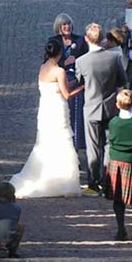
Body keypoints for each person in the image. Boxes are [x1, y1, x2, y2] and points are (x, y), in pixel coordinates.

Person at [9, 39, 84, 198]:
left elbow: (58, 86)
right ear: (60, 53)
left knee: (46, 141)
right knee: (61, 140)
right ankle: (63, 180)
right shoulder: (59, 71)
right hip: (57, 108)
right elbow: (66, 94)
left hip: (45, 109)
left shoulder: (43, 68)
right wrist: (82, 87)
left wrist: (73, 83)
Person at [75, 23, 127, 194]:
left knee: (92, 147)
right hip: (111, 106)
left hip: (91, 107)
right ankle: (107, 180)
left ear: (86, 39)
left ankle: (92, 182)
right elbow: (122, 80)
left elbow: (80, 83)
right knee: (108, 145)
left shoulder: (81, 61)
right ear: (103, 39)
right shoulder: (114, 58)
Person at [104, 89, 132, 242]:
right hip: (130, 163)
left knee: (118, 199)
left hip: (115, 162)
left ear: (117, 104)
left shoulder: (114, 123)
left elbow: (112, 139)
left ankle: (121, 230)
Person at [48, 13, 88, 153]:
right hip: (61, 81)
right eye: (64, 24)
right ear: (58, 27)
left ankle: (76, 148)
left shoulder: (80, 40)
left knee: (76, 117)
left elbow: (87, 59)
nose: (67, 27)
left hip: (76, 82)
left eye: (69, 24)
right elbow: (47, 63)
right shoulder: (53, 41)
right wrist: (63, 63)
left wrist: (76, 62)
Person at [0, 182, 24, 258]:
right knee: (21, 227)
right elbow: (16, 221)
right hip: (11, 239)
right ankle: (13, 250)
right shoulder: (17, 207)